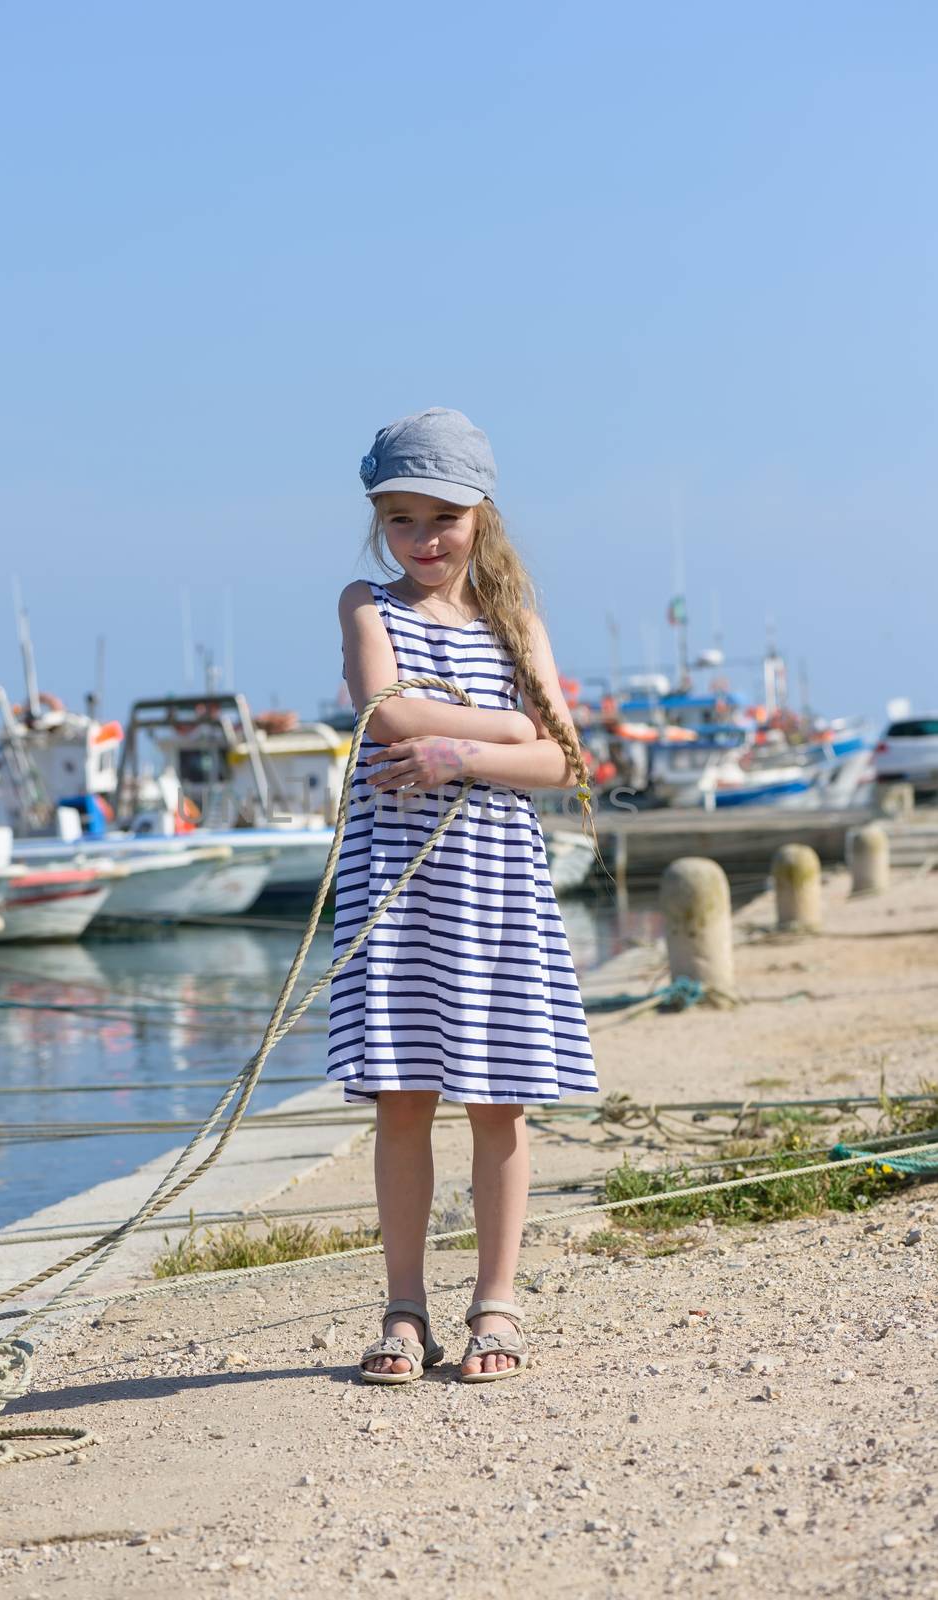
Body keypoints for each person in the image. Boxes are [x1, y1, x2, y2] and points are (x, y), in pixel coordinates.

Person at [330, 407, 598, 1385]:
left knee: (500, 1100)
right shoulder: (369, 602)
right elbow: (384, 706)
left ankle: (497, 1298)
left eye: (441, 516)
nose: (423, 539)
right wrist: (503, 728)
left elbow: (564, 760)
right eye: (401, 519)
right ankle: (405, 1306)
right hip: (398, 894)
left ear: (481, 512)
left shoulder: (515, 621)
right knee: (402, 1099)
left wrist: (460, 756)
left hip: (494, 889)